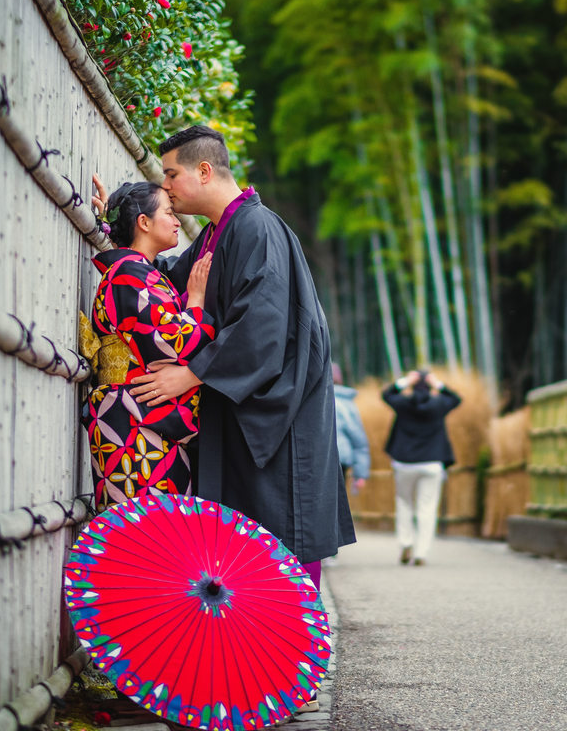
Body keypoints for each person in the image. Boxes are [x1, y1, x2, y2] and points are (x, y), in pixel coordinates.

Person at [93, 125, 355, 592]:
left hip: (278, 410)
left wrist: (191, 375)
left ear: (205, 170)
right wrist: (114, 226)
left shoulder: (257, 228)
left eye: (171, 174)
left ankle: (291, 646)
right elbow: (158, 283)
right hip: (241, 402)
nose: (167, 187)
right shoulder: (221, 231)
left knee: (279, 534)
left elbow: (264, 325)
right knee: (242, 541)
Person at [80, 180, 214, 511]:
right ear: (144, 222)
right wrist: (196, 302)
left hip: (136, 415)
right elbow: (176, 343)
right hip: (133, 422)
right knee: (145, 528)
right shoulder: (129, 273)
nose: (177, 220)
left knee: (149, 531)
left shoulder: (133, 272)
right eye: (168, 212)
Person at [382, 368, 461, 567]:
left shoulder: (402, 403)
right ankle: (421, 552)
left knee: (404, 503)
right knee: (427, 507)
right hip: (432, 463)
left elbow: (386, 394)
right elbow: (456, 399)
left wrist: (404, 382)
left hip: (404, 462)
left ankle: (406, 542)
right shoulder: (439, 404)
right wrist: (439, 385)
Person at [332, 363, 369, 495]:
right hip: (341, 458)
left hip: (314, 460)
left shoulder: (305, 399)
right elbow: (358, 439)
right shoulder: (346, 403)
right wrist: (360, 473)